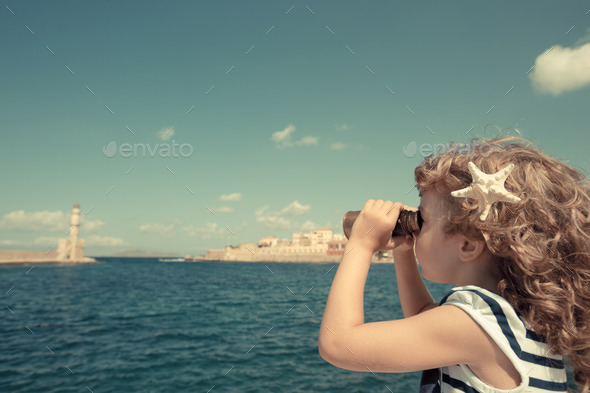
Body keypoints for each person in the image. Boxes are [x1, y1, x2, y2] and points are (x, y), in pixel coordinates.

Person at [318, 136, 590, 393]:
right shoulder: (518, 319)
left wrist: (360, 244)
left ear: (468, 245)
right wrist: (403, 252)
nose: (415, 229)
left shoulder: (474, 324)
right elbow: (424, 318)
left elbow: (337, 343)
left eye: (422, 220)